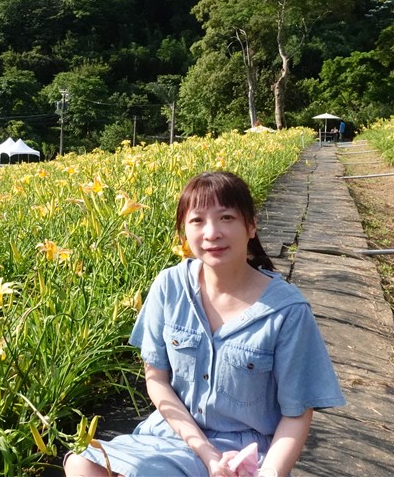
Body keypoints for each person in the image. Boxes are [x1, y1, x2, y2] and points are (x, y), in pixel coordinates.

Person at [64, 171, 344, 477]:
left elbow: (297, 413)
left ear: (251, 225)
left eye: (226, 217)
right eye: (197, 220)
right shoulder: (169, 286)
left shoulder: (287, 311)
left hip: (244, 455)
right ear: (184, 231)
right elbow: (156, 378)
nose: (211, 233)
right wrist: (205, 452)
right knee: (82, 464)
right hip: (171, 436)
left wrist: (270, 473)